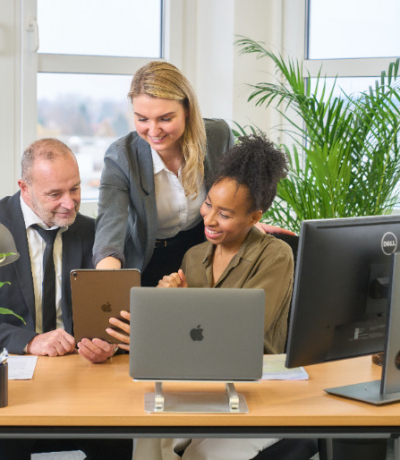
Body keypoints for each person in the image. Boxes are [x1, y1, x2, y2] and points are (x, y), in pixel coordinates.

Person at [108, 133, 293, 460]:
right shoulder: (194, 256)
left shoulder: (276, 256)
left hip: (254, 387)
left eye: (225, 214)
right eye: (208, 204)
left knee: (197, 455)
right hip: (195, 381)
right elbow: (185, 337)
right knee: (147, 436)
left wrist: (185, 302)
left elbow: (244, 333)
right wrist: (169, 304)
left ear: (254, 218)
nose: (208, 219)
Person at [0, 138, 130, 459]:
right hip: (12, 380)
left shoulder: (92, 233)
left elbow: (114, 313)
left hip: (81, 378)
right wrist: (30, 341)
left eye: (75, 189)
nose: (70, 204)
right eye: (54, 194)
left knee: (118, 443)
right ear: (24, 187)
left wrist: (109, 343)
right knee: (5, 450)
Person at [92, 61, 235, 287]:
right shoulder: (121, 157)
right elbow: (110, 228)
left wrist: (251, 223)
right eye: (142, 119)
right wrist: (109, 283)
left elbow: (237, 196)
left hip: (202, 250)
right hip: (147, 258)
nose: (154, 130)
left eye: (165, 119)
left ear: (187, 109)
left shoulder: (218, 137)